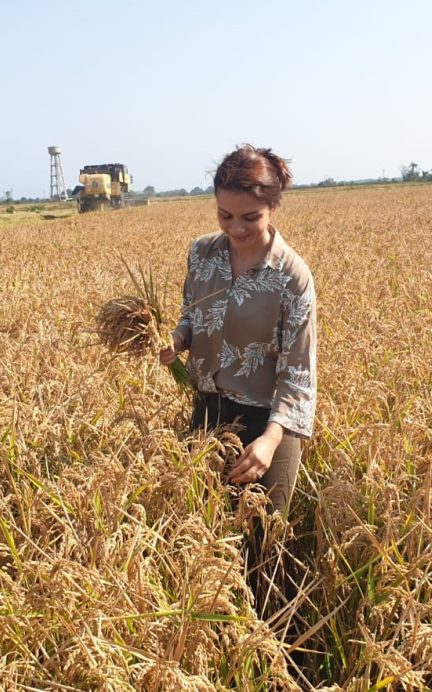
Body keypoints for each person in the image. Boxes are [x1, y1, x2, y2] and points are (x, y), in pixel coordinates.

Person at [158, 144, 317, 610]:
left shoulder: (292, 277)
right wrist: (177, 340)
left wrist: (269, 441)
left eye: (250, 217)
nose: (235, 228)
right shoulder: (202, 254)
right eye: (225, 215)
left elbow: (297, 372)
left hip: (270, 423)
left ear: (273, 207)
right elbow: (193, 313)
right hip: (208, 409)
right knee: (204, 534)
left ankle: (269, 641)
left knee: (263, 546)